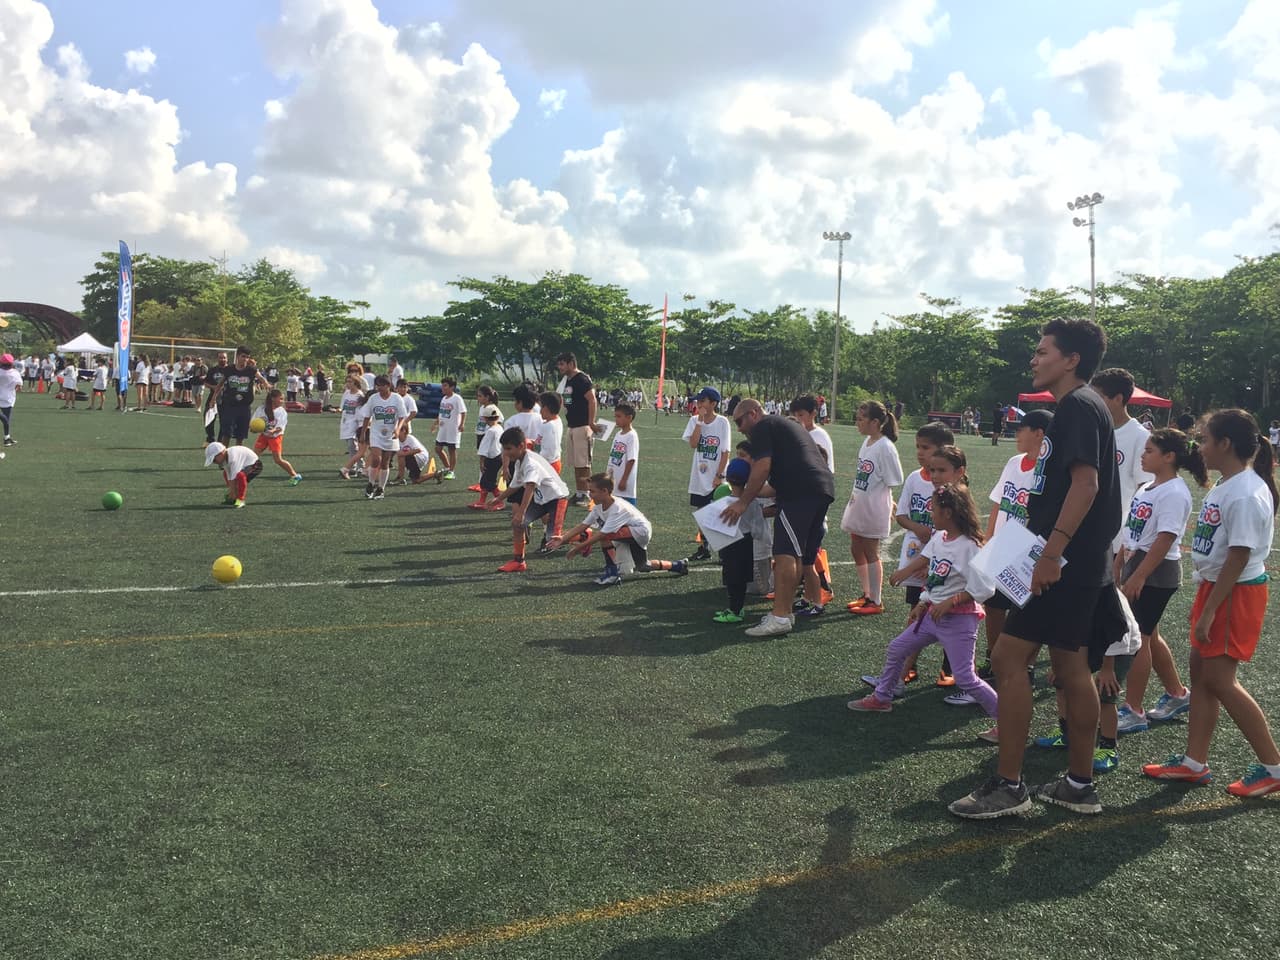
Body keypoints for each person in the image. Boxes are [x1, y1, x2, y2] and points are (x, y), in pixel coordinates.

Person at [949, 317, 1125, 820]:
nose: (1034, 358)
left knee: (1007, 660)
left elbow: (1086, 486)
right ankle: (1079, 784)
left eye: (1044, 350)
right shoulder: (1085, 406)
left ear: (1071, 360)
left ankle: (1009, 785)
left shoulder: (1075, 407)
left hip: (1063, 564)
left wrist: (1051, 553)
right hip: (1079, 562)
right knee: (1071, 669)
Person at [1142, 410, 1280, 798]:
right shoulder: (1228, 483)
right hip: (1216, 589)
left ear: (1225, 445)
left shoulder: (1247, 492)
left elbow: (1238, 557)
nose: (1198, 447)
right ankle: (1193, 762)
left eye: (1204, 440)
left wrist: (1209, 609)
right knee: (1202, 677)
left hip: (1233, 592)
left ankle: (1274, 766)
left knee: (1220, 681)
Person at [848, 484, 998, 737]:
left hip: (959, 622)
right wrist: (922, 601)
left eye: (935, 509)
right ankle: (882, 697)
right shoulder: (940, 538)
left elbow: (985, 588)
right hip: (931, 616)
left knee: (964, 678)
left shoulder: (970, 546)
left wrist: (950, 602)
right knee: (897, 648)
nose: (931, 514)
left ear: (948, 513)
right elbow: (936, 574)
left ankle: (1006, 721)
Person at [1112, 429, 1206, 732]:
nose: (1143, 454)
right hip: (1138, 566)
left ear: (1169, 457)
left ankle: (1134, 709)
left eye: (1150, 450)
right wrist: (1119, 564)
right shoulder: (1148, 487)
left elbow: (1165, 539)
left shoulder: (1175, 492)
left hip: (1156, 573)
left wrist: (1139, 575)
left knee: (1139, 641)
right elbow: (1133, 534)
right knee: (1150, 635)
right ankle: (1177, 693)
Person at [719, 399, 835, 638]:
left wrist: (742, 502)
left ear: (753, 413)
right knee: (794, 554)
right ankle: (785, 612)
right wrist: (745, 490)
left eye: (739, 421)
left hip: (800, 493)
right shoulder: (781, 427)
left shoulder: (764, 426)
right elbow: (772, 486)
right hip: (816, 489)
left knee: (785, 554)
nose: (739, 428)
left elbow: (762, 468)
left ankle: (780, 616)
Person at [979, 411, 1053, 677]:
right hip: (1003, 545)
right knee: (993, 604)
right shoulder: (1014, 462)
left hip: (1027, 550)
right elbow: (999, 500)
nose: (1016, 434)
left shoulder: (1049, 470)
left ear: (1039, 434)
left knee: (1024, 611)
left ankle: (1025, 665)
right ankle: (993, 656)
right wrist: (989, 537)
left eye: (1021, 429)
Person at [887, 422, 954, 685]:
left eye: (925, 447)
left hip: (944, 563)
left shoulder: (951, 485)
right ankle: (908, 666)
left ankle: (951, 668)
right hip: (916, 556)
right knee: (916, 610)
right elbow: (901, 514)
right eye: (918, 447)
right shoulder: (915, 478)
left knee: (947, 616)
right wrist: (918, 529)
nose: (920, 452)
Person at [547, 473, 687, 585]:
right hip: (630, 532)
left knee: (605, 536)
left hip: (640, 531)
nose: (589, 494)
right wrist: (563, 539)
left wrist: (578, 548)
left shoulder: (617, 509)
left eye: (592, 491)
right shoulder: (598, 507)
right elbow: (582, 525)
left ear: (605, 491)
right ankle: (678, 565)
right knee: (643, 566)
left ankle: (612, 574)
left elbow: (602, 535)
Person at [842, 401, 904, 616]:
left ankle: (876, 600)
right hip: (859, 503)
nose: (857, 423)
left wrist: (891, 504)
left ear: (875, 422)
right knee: (856, 547)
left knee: (870, 551)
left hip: (874, 506)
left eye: (861, 419)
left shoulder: (885, 447)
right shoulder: (868, 442)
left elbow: (894, 479)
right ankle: (866, 594)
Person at [487, 426, 569, 572]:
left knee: (553, 539)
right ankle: (519, 561)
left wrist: (521, 511)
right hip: (542, 500)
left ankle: (583, 535)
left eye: (508, 448)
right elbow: (515, 485)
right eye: (504, 449)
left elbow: (530, 487)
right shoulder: (520, 461)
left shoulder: (531, 463)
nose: (505, 453)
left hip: (557, 499)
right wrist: (498, 498)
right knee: (518, 524)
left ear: (521, 446)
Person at [1091, 368, 1153, 557]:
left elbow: (1144, 489)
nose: (1092, 402)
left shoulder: (1140, 437)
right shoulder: (1093, 430)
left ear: (1118, 399)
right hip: (1083, 531)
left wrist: (1130, 538)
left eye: (1098, 397)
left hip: (1116, 539)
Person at [704, 457, 768, 622]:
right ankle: (735, 609)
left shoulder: (723, 502)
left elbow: (712, 525)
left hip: (730, 543)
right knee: (739, 578)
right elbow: (759, 526)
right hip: (745, 543)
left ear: (729, 479)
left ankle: (735, 611)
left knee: (733, 579)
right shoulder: (751, 502)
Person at [682, 387, 731, 563]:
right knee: (701, 513)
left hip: (717, 475)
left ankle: (726, 552)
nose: (699, 404)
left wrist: (719, 475)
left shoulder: (722, 422)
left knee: (720, 513)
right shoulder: (695, 421)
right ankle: (704, 548)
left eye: (703, 401)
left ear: (713, 403)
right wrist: (700, 422)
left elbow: (725, 451)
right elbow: (694, 444)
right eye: (698, 401)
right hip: (699, 476)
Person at [556, 352, 599, 506]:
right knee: (576, 463)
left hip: (582, 426)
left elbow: (592, 400)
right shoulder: (567, 380)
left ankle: (588, 494)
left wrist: (591, 422)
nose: (559, 367)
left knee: (584, 464)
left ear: (571, 363)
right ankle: (580, 492)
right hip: (572, 426)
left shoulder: (582, 379)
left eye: (562, 364)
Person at [357, 374, 409, 500]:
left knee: (385, 462)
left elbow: (402, 416)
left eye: (382, 385)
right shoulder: (374, 398)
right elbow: (367, 416)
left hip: (391, 434)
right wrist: (363, 433)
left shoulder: (396, 398)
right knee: (376, 459)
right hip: (376, 433)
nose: (379, 387)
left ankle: (381, 489)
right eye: (378, 385)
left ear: (388, 385)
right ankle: (370, 483)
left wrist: (397, 429)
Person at [210, 346, 269, 447]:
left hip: (244, 406)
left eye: (247, 357)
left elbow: (261, 378)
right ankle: (223, 456)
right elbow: (220, 384)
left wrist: (267, 385)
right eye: (243, 356)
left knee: (240, 436)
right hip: (230, 405)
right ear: (237, 356)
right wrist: (213, 398)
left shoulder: (251, 370)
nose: (245, 359)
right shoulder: (229, 369)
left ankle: (238, 457)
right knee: (226, 434)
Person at [251, 389, 302, 485]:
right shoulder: (261, 409)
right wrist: (253, 428)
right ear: (273, 399)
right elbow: (254, 422)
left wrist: (273, 431)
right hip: (264, 436)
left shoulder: (281, 411)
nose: (282, 401)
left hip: (275, 437)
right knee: (253, 456)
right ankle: (244, 475)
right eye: (281, 399)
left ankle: (295, 475)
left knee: (278, 460)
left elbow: (280, 427)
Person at [203, 441, 262, 508]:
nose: (214, 462)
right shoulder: (224, 458)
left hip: (255, 465)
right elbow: (229, 475)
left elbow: (233, 478)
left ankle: (240, 500)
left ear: (221, 453)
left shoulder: (233, 457)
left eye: (214, 459)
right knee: (225, 473)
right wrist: (232, 491)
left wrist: (233, 493)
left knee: (240, 476)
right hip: (244, 465)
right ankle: (234, 497)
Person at [468, 406, 505, 507]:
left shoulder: (490, 431)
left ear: (485, 418)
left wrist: (481, 462)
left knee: (487, 481)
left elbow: (484, 448)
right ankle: (482, 501)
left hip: (491, 458)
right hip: (499, 457)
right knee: (488, 480)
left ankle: (499, 501)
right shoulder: (499, 428)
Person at [469, 385, 502, 492]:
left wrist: (491, 427)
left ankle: (482, 483)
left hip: (487, 436)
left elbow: (500, 419)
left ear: (487, 397)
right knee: (482, 459)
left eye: (480, 396)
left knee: (485, 461)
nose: (478, 398)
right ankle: (480, 482)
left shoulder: (493, 409)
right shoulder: (482, 408)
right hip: (480, 434)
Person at [605, 403, 639, 504]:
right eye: (615, 416)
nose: (616, 419)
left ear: (629, 418)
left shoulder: (632, 436)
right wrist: (608, 475)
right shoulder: (618, 434)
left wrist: (624, 480)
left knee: (627, 512)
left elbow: (631, 460)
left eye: (619, 416)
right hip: (614, 480)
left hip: (624, 484)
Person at [433, 376, 466, 480]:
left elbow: (463, 412)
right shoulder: (444, 398)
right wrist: (436, 423)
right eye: (442, 385)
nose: (443, 387)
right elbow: (441, 412)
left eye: (445, 385)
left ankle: (451, 471)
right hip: (443, 429)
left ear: (452, 387)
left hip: (453, 429)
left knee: (452, 449)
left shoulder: (457, 398)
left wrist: (462, 424)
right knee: (438, 449)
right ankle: (447, 467)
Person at [338, 373, 368, 480]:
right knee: (350, 446)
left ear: (356, 383)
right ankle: (355, 467)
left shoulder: (359, 395)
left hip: (355, 424)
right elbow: (343, 407)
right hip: (345, 422)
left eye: (350, 382)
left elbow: (361, 412)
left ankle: (358, 467)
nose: (348, 384)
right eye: (347, 381)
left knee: (354, 446)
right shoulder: (346, 393)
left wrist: (359, 426)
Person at [533, 392, 564, 473]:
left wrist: (533, 457)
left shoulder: (549, 426)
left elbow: (548, 453)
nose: (539, 411)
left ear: (546, 408)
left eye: (540, 407)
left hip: (548, 465)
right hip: (552, 463)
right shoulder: (556, 420)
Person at [203, 352, 230, 444]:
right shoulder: (213, 370)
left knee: (224, 420)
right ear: (217, 359)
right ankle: (210, 439)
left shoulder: (230, 370)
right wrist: (213, 387)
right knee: (208, 417)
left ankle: (220, 441)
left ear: (227, 359)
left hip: (226, 398)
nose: (222, 359)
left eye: (224, 358)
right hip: (213, 396)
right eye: (220, 358)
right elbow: (206, 383)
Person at [0, 354, 21, 446]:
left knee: (6, 420)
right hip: (8, 398)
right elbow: (19, 386)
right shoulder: (15, 373)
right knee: (7, 419)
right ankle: (6, 438)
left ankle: (7, 438)